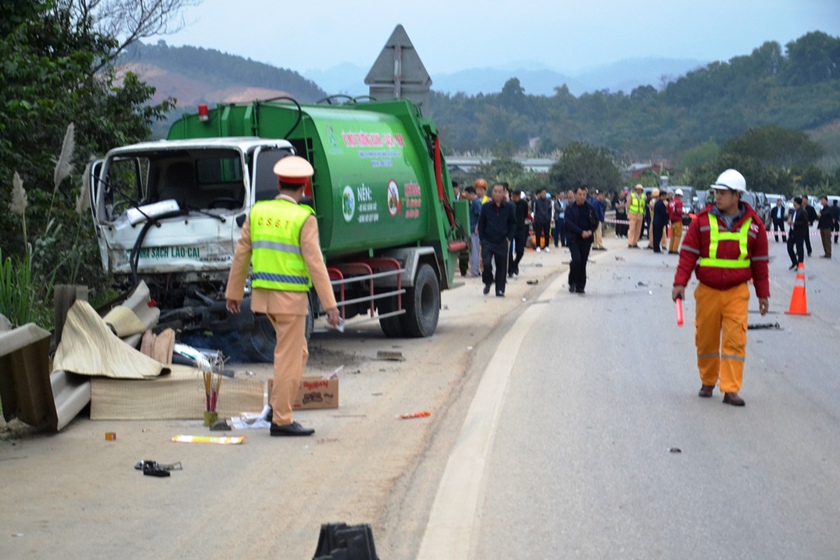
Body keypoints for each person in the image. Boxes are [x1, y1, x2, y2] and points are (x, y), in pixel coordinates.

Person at [226, 156, 341, 436]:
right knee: (289, 359)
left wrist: (233, 293)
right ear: (304, 187)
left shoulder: (257, 212)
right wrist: (331, 306)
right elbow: (316, 264)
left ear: (278, 184)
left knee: (297, 353)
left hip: (264, 299)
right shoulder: (304, 218)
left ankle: (278, 409)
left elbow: (242, 253)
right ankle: (281, 420)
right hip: (290, 301)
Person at [672, 169, 769, 407]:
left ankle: (731, 389)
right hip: (708, 290)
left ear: (737, 196)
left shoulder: (755, 226)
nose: (717, 197)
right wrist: (679, 283)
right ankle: (707, 381)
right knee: (706, 339)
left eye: (723, 193)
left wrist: (763, 294)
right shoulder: (702, 222)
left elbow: (760, 263)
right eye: (716, 192)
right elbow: (688, 255)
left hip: (737, 291)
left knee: (735, 341)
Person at [478, 183, 516, 296]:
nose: (497, 194)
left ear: (504, 193)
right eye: (495, 191)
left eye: (500, 192)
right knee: (487, 263)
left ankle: (500, 289)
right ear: (492, 192)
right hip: (488, 241)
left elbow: (513, 223)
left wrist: (509, 237)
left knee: (501, 266)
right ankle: (488, 281)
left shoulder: (509, 207)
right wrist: (482, 238)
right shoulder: (486, 207)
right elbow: (481, 224)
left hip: (502, 241)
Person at [565, 185, 597, 294]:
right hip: (574, 238)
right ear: (575, 195)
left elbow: (595, 222)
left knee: (583, 262)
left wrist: (590, 232)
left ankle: (580, 286)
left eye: (584, 195)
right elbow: (568, 223)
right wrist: (580, 232)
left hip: (586, 240)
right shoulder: (570, 208)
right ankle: (572, 282)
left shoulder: (590, 208)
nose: (582, 197)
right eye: (580, 194)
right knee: (576, 260)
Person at [508, 190, 529, 276]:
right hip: (510, 229)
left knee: (520, 251)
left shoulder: (524, 204)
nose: (515, 198)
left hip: (520, 229)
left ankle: (515, 264)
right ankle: (510, 270)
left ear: (520, 195)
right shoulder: (509, 204)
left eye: (517, 196)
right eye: (513, 196)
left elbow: (525, 215)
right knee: (509, 251)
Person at [464, 186, 481, 277]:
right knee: (473, 251)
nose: (467, 197)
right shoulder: (473, 203)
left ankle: (474, 271)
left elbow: (480, 215)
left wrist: (477, 227)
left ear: (471, 194)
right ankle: (475, 270)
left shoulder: (476, 203)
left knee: (473, 251)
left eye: (467, 195)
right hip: (473, 229)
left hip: (474, 230)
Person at [787, 197, 808, 269]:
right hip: (792, 232)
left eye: (794, 202)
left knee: (799, 250)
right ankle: (794, 261)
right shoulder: (794, 211)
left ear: (796, 202)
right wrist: (790, 222)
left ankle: (800, 264)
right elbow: (792, 218)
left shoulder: (802, 211)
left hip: (799, 233)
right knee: (789, 247)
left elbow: (805, 222)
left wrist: (795, 223)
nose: (793, 203)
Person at [531, 188, 552, 252]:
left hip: (546, 219)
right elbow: (534, 210)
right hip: (539, 219)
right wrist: (535, 218)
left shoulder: (548, 201)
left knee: (546, 233)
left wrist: (550, 218)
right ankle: (538, 246)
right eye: (542, 193)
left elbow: (550, 210)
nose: (544, 194)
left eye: (545, 193)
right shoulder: (536, 201)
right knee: (538, 233)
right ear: (540, 194)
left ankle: (546, 246)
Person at [667, 189, 684, 254]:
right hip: (678, 221)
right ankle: (675, 250)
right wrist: (685, 213)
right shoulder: (679, 202)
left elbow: (668, 211)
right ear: (680, 196)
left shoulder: (671, 202)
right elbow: (679, 211)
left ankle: (671, 249)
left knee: (673, 236)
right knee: (677, 236)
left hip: (672, 221)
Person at [652, 189, 669, 253]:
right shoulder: (660, 203)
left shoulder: (658, 202)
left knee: (657, 235)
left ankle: (656, 248)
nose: (665, 197)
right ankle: (656, 248)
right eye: (664, 196)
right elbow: (663, 213)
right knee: (658, 235)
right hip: (659, 222)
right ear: (661, 196)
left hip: (656, 221)